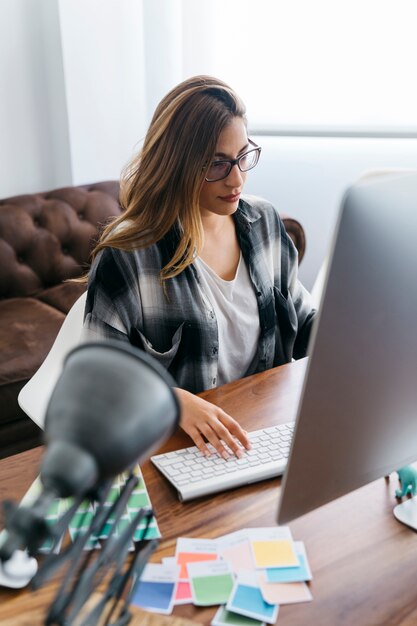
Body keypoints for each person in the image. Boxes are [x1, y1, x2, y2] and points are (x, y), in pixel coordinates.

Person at [82, 75, 316, 460]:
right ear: (178, 164)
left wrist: (360, 345)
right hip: (180, 450)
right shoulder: (130, 255)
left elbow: (305, 321)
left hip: (264, 433)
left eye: (243, 156)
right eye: (217, 164)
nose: (237, 178)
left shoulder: (265, 224)